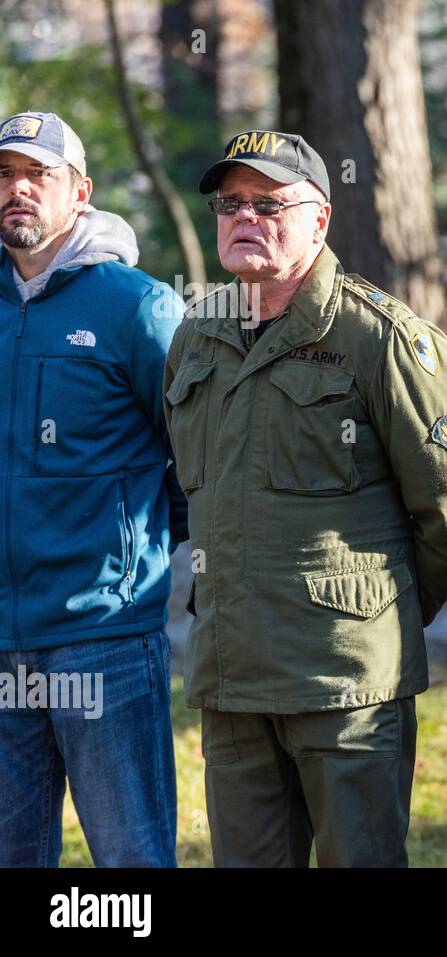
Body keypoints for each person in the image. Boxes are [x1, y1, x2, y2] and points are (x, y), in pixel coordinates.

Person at [165, 129, 447, 867]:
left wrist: (379, 610)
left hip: (346, 685)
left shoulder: (382, 337)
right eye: (230, 204)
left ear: (319, 219)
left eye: (268, 202)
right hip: (232, 678)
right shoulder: (197, 335)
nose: (244, 217)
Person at [0, 111, 186, 866]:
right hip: (3, 641)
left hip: (104, 637)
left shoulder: (137, 307)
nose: (16, 190)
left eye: (36, 176)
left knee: (132, 860)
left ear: (79, 193)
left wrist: (133, 553)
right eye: (4, 177)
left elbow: (195, 459)